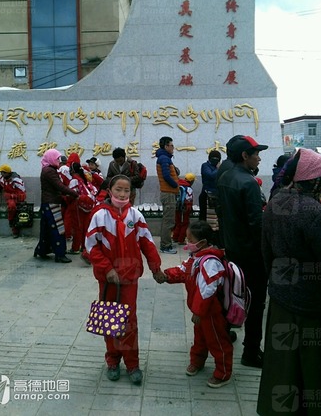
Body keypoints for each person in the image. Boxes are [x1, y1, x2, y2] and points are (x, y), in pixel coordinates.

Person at [257, 148, 321, 415]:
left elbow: (266, 252)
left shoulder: (276, 202)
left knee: (283, 363)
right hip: (313, 304)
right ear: (315, 180)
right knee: (314, 366)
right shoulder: (314, 212)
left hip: (282, 298)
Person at [85, 174, 164, 385]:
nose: (122, 194)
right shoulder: (99, 216)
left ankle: (132, 364)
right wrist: (107, 268)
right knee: (110, 320)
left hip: (129, 278)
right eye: (118, 189)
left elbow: (147, 242)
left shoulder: (136, 216)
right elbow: (91, 246)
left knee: (129, 321)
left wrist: (155, 267)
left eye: (126, 190)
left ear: (131, 193)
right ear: (110, 191)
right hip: (109, 280)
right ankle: (112, 361)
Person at [216, 135, 268, 368]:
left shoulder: (225, 177)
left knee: (230, 295)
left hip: (231, 249)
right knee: (256, 303)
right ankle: (251, 352)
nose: (259, 157)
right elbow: (257, 225)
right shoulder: (248, 183)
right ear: (245, 156)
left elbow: (221, 213)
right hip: (251, 254)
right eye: (256, 153)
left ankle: (223, 335)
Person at [163, 220, 233, 388]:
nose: (187, 243)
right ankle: (197, 362)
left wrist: (198, 312)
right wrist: (166, 275)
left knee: (217, 341)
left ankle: (223, 373)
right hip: (201, 311)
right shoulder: (196, 257)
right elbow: (183, 270)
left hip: (211, 312)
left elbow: (207, 290)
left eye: (190, 240)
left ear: (202, 243)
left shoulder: (211, 262)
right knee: (200, 338)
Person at [34, 149, 79, 263]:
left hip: (48, 203)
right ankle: (60, 254)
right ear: (51, 158)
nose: (59, 161)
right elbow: (59, 186)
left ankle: (42, 251)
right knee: (58, 229)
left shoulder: (49, 169)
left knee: (47, 229)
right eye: (57, 158)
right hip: (52, 203)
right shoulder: (49, 171)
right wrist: (74, 193)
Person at [155, 136, 180, 254]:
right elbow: (166, 176)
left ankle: (166, 242)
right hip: (168, 192)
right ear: (166, 146)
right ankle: (165, 246)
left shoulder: (164, 158)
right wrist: (175, 185)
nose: (173, 148)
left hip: (169, 192)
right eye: (171, 145)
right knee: (169, 220)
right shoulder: (164, 158)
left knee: (168, 219)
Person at [67, 162, 96, 255]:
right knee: (85, 227)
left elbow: (72, 194)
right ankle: (84, 246)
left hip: (78, 206)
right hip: (87, 206)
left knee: (77, 227)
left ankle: (75, 248)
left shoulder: (74, 181)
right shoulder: (83, 179)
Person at [0, 164, 27, 238]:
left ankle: (13, 226)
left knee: (13, 207)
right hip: (10, 200)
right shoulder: (2, 179)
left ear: (7, 173)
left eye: (2, 172)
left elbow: (23, 192)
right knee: (11, 206)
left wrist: (13, 196)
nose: (1, 174)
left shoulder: (16, 180)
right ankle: (13, 226)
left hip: (18, 198)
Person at [173, 172, 195, 245]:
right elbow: (189, 199)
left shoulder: (179, 185)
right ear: (191, 181)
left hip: (177, 207)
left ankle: (175, 237)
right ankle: (181, 239)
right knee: (185, 223)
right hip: (185, 208)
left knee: (178, 223)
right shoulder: (188, 188)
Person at [199, 150, 221, 221]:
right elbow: (210, 175)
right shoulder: (205, 165)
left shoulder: (220, 167)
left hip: (217, 195)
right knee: (204, 216)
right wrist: (218, 169)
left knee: (215, 218)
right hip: (206, 195)